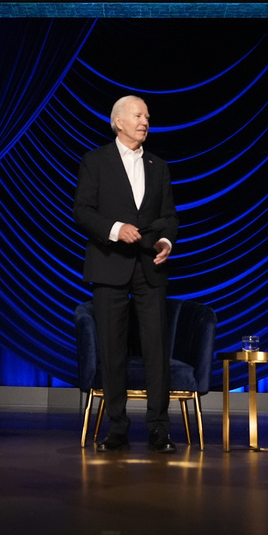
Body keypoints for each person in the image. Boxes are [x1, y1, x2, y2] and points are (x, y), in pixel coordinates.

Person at [73, 95, 179, 453]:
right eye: (138, 115)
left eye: (147, 116)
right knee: (112, 350)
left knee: (156, 351)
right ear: (118, 121)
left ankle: (159, 428)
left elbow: (169, 216)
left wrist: (165, 240)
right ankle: (116, 426)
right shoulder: (95, 161)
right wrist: (117, 229)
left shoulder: (158, 165)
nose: (145, 121)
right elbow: (83, 211)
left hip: (150, 266)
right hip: (109, 263)